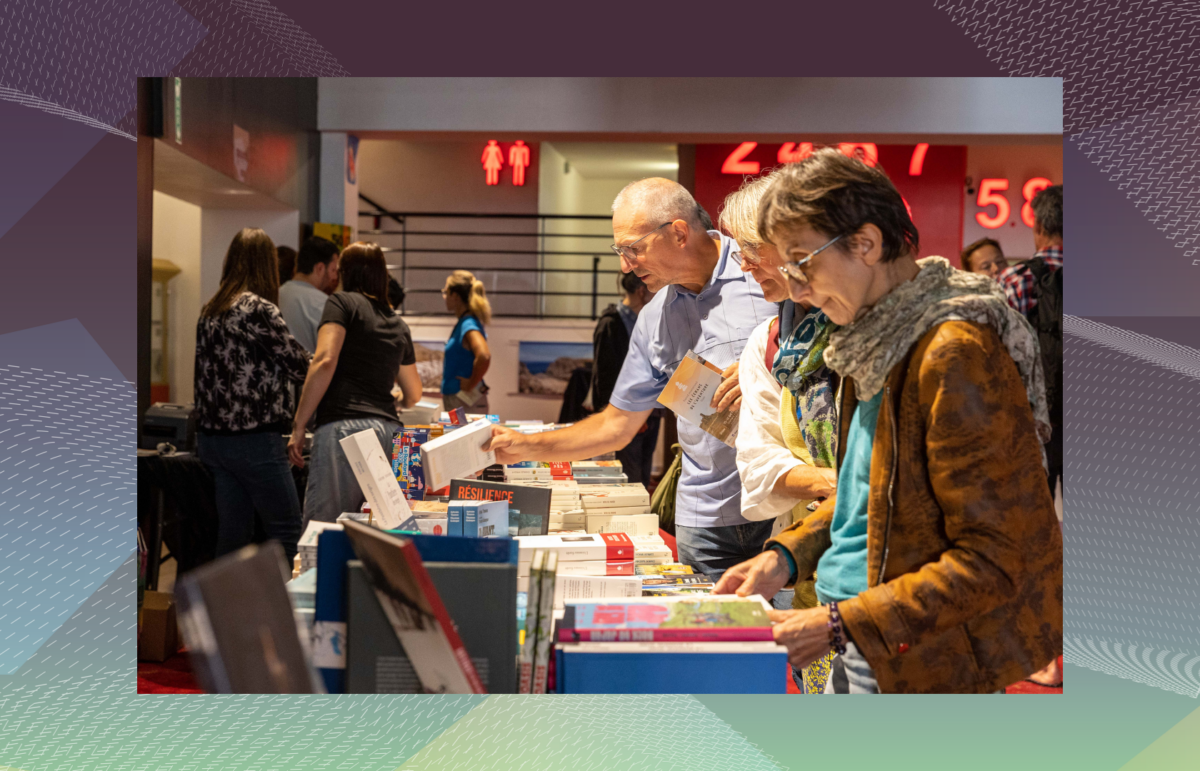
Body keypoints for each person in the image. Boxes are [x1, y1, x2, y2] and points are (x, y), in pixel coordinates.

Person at [714, 149, 1063, 694]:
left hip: (922, 657)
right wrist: (788, 555)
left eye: (803, 261)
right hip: (866, 636)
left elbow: (995, 558)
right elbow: (873, 494)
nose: (798, 288)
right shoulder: (870, 342)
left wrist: (839, 623)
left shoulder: (953, 351)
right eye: (788, 269)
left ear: (867, 244)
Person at [484, 178, 778, 591]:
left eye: (632, 248)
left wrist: (763, 374)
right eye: (620, 251)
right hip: (705, 523)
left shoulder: (764, 275)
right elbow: (616, 426)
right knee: (709, 643)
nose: (626, 265)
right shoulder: (654, 319)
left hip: (783, 507)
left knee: (793, 648)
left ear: (678, 233)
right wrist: (528, 446)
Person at [720, 173, 840, 692]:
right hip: (810, 558)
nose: (743, 266)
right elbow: (759, 459)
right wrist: (832, 483)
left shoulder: (879, 329)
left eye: (751, 249)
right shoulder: (771, 342)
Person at [193, 228, 311, 563]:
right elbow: (298, 366)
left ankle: (229, 614)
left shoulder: (210, 309)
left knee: (233, 538)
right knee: (288, 532)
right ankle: (285, 613)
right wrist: (325, 360)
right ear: (267, 266)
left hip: (214, 442)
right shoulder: (258, 308)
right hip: (255, 442)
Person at [288, 242, 423, 524]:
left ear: (347, 273)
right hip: (391, 434)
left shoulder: (342, 303)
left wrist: (299, 425)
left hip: (344, 427)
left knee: (323, 532)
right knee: (382, 532)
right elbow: (413, 394)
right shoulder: (398, 324)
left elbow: (325, 359)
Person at [998, 183, 1064, 689]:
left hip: (1030, 428)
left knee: (1030, 536)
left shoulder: (1015, 281)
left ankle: (1039, 653)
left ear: (1038, 227)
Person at [591, 271, 660, 484]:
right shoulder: (611, 323)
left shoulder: (646, 321)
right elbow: (604, 378)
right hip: (627, 415)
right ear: (641, 291)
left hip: (652, 412)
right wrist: (621, 415)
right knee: (630, 478)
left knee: (642, 474)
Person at [441, 270, 493, 413]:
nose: (443, 296)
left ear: (455, 296)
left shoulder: (468, 324)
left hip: (464, 402)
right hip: (461, 401)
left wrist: (471, 383)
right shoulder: (465, 323)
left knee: (463, 436)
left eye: (446, 292)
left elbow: (484, 355)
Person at [279, 236, 341, 354]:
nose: (335, 277)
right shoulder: (324, 304)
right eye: (333, 270)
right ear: (320, 268)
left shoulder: (275, 294)